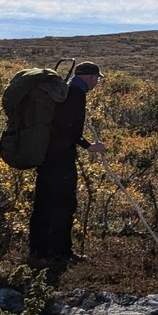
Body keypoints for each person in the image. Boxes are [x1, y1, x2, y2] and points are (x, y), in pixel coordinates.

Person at [29, 61, 106, 264]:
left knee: (43, 202)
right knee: (64, 203)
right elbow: (69, 130)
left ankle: (38, 251)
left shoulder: (61, 91)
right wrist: (89, 146)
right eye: (97, 78)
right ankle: (61, 254)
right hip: (60, 157)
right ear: (90, 77)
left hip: (45, 155)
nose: (97, 83)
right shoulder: (75, 94)